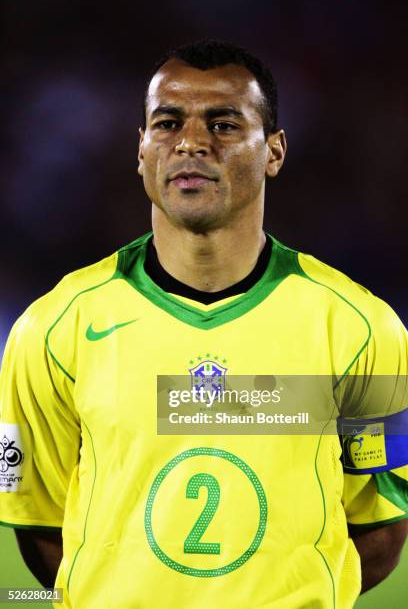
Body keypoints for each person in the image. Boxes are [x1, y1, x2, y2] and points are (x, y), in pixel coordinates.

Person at [0, 39, 407, 609]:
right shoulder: (52, 329)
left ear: (275, 151)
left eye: (222, 123)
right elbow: (40, 524)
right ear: (141, 150)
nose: (191, 142)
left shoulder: (362, 329)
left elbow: (381, 525)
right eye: (167, 124)